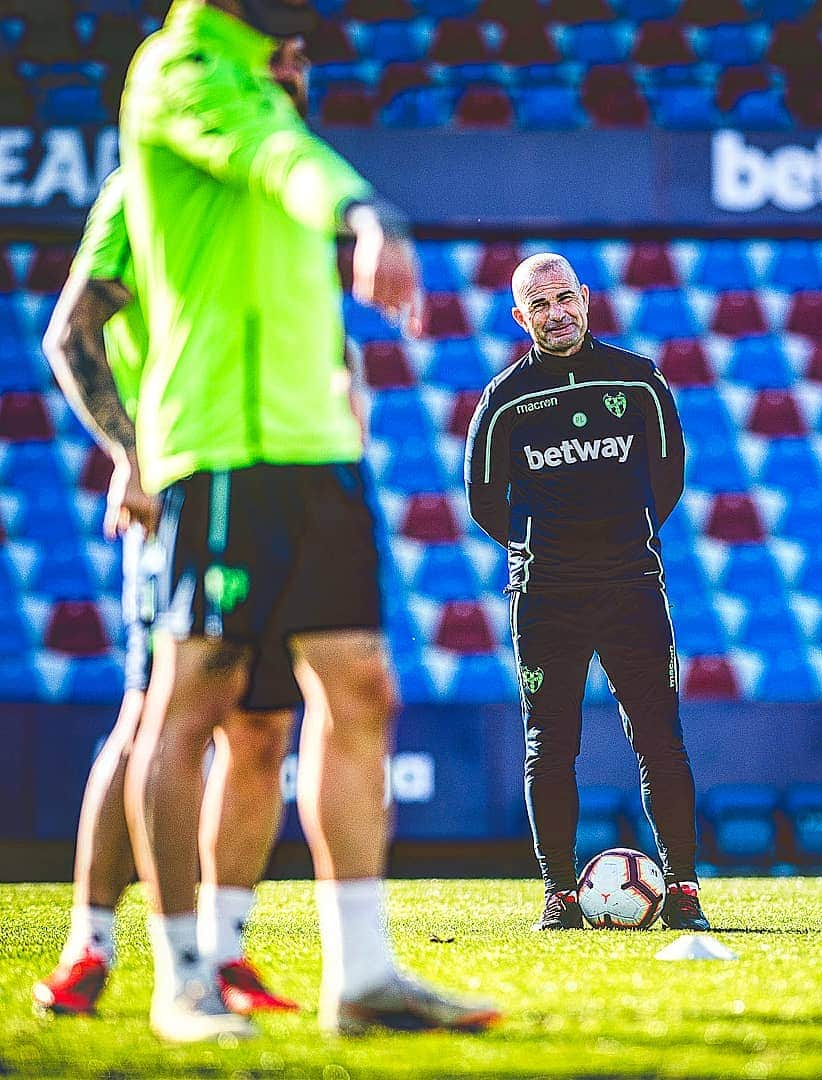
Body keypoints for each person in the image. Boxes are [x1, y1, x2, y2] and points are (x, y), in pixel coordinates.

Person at [112, 0, 498, 1042]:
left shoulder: (270, 86)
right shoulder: (184, 69)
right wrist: (369, 215)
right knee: (193, 702)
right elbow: (280, 158)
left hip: (316, 447)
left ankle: (362, 979)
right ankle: (181, 977)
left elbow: (288, 164)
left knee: (359, 688)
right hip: (225, 445)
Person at [32, 39, 318, 1021]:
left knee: (263, 723)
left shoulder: (274, 198)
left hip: (279, 481)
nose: (286, 77)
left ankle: (225, 954)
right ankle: (91, 946)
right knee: (156, 710)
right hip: (185, 485)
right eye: (267, 63)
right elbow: (69, 331)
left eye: (296, 61)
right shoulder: (145, 189)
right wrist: (131, 453)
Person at [465, 253, 710, 934]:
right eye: (539, 306)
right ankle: (557, 893)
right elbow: (485, 502)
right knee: (549, 743)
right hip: (547, 595)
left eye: (564, 298)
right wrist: (550, 548)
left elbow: (668, 478)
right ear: (520, 317)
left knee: (660, 738)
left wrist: (618, 538)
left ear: (585, 299)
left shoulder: (638, 382)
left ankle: (684, 889)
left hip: (631, 585)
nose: (556, 314)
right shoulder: (504, 401)